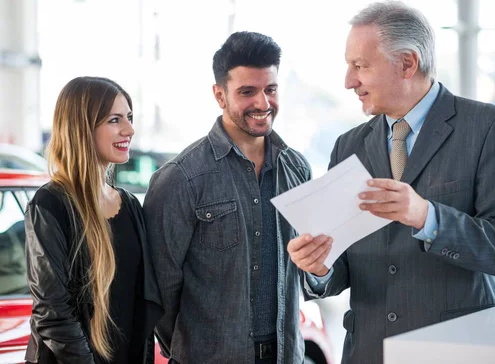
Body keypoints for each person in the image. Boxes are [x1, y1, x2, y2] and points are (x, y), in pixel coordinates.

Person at [288, 0, 495, 364]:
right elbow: (342, 269)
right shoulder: (349, 146)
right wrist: (319, 267)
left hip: (459, 353)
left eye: (360, 66)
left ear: (407, 63)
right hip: (369, 352)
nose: (348, 81)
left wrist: (427, 216)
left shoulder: (489, 128)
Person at [144, 31, 312, 364]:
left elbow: (310, 272)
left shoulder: (297, 169)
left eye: (271, 89)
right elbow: (158, 293)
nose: (263, 103)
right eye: (247, 92)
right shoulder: (181, 178)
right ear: (220, 95)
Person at [24, 77, 163, 364]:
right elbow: (53, 313)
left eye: (129, 117)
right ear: (82, 128)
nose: (129, 129)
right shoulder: (50, 205)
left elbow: (142, 302)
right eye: (115, 120)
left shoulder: (130, 205)